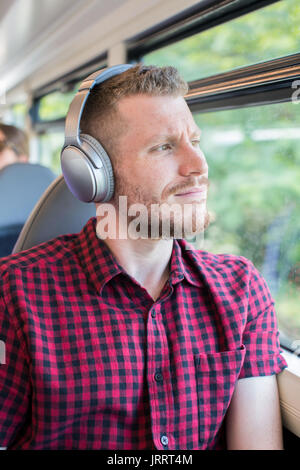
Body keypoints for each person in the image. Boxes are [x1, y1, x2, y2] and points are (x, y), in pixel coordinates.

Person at [0, 64, 287, 450]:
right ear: (92, 173)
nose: (198, 167)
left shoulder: (240, 288)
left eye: (195, 142)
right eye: (163, 147)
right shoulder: (15, 292)